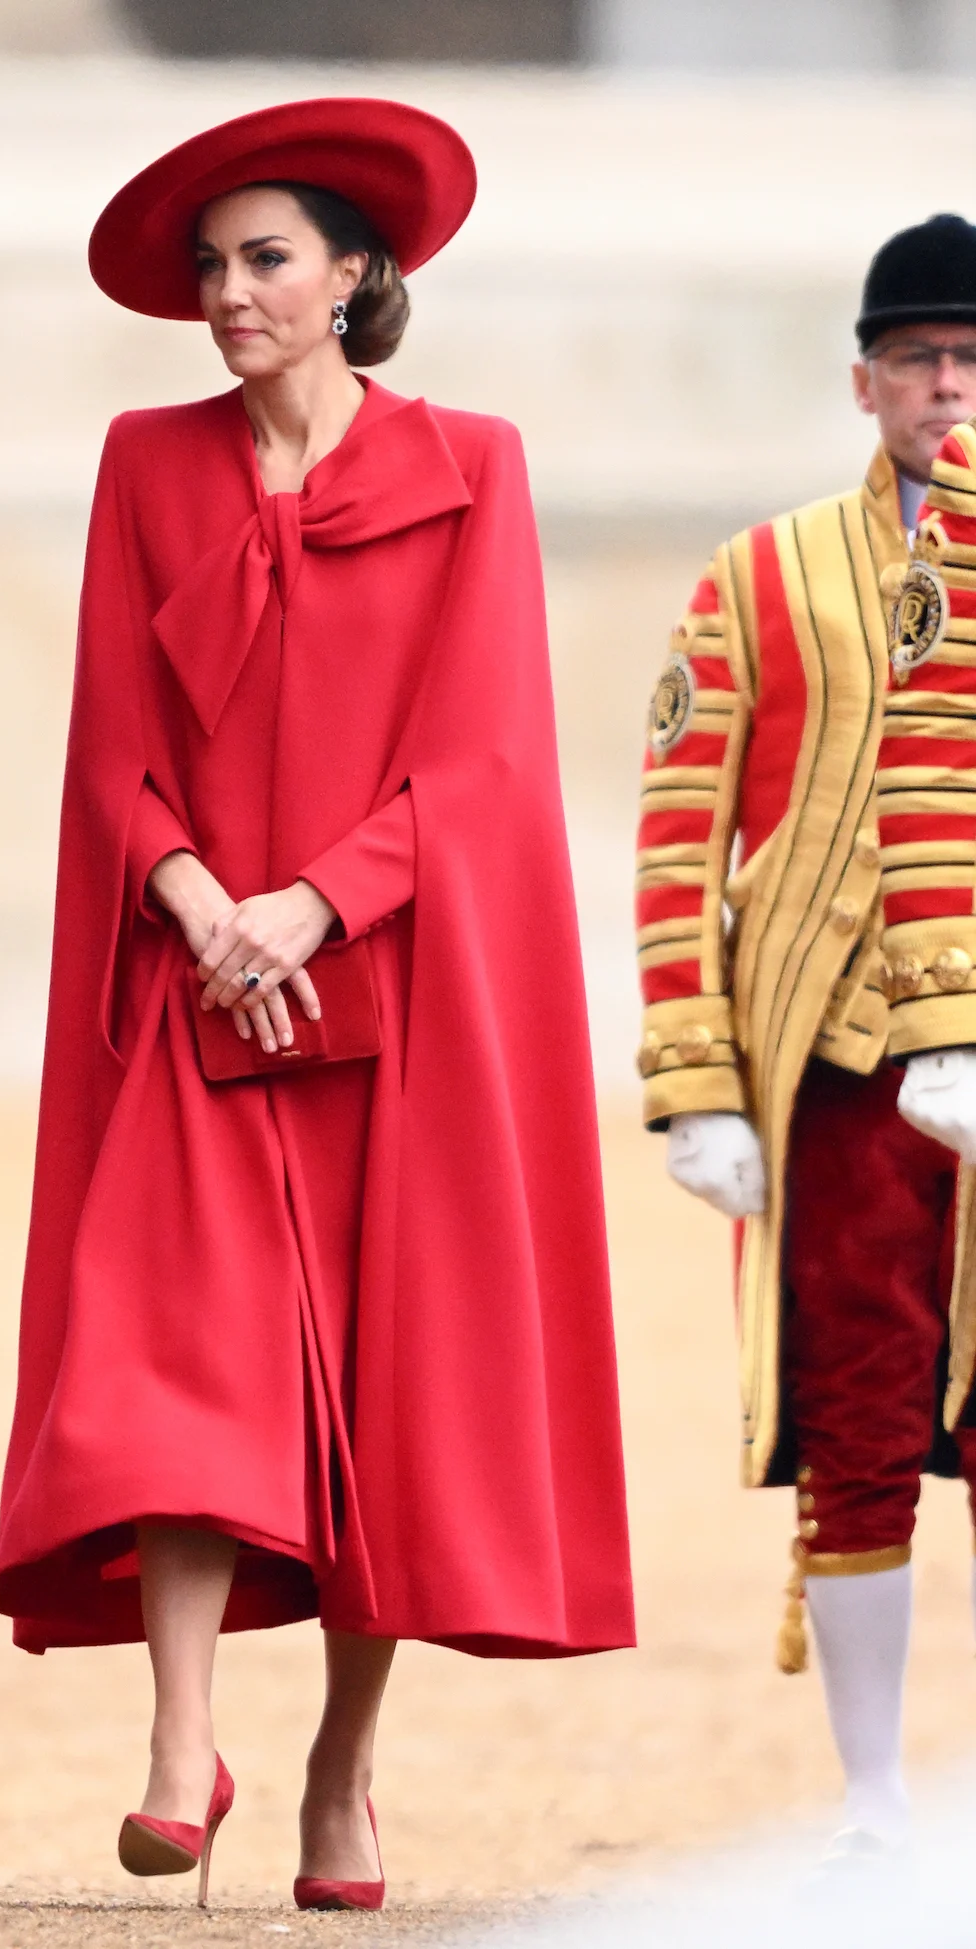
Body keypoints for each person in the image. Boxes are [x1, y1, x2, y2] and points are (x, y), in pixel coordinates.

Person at [0, 97, 634, 1908]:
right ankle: (181, 1745)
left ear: (358, 275)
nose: (227, 292)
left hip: (391, 1000)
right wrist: (203, 909)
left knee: (379, 1406)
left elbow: (488, 760)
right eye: (211, 264)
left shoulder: (476, 466)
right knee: (167, 1364)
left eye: (265, 258)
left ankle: (343, 1777)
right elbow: (111, 742)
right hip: (199, 990)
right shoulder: (147, 463)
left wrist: (310, 907)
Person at [634, 213, 976, 1866]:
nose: (947, 385)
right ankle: (875, 1798)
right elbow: (681, 827)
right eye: (919, 358)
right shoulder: (760, 575)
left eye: (973, 358)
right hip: (842, 1074)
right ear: (864, 380)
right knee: (858, 1426)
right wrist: (696, 1078)